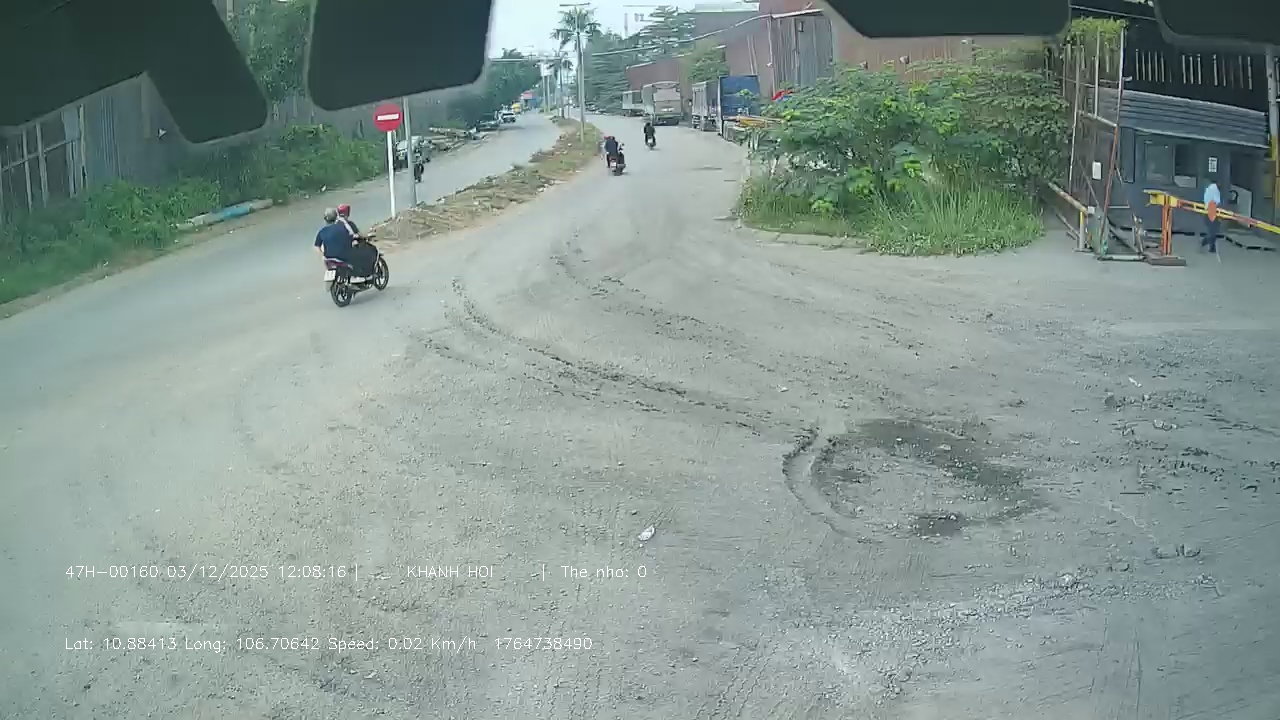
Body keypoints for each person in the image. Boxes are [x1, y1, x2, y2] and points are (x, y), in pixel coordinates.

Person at [1201, 176, 1222, 254]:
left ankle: (1209, 244)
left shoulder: (1209, 188)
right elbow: (1217, 202)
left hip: (1207, 209)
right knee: (1213, 229)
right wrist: (1219, 214)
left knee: (1211, 229)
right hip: (1212, 209)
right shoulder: (1215, 189)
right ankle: (1208, 243)